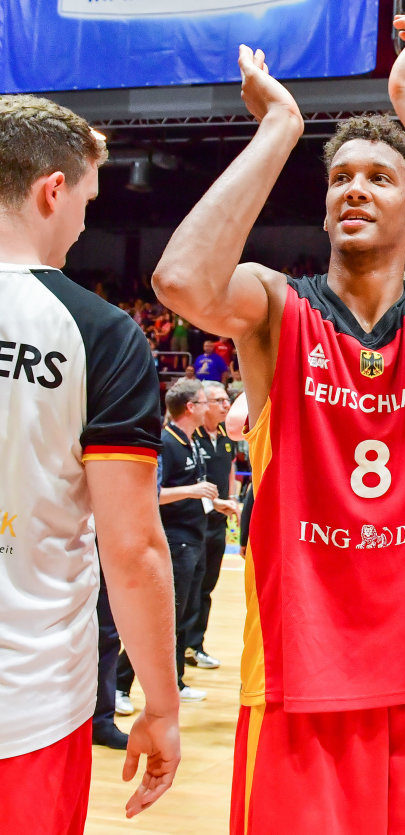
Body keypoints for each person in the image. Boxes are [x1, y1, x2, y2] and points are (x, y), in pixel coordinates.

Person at [150, 18, 405, 834]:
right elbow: (180, 279)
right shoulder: (274, 306)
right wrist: (281, 128)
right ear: (324, 212)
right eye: (342, 179)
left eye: (380, 178)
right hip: (302, 670)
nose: (355, 187)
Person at [0, 93, 180, 829]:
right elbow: (132, 548)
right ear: (52, 189)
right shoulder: (101, 334)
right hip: (29, 703)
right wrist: (161, 706)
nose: (82, 224)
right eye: (85, 200)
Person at [118, 379, 222, 706]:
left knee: (181, 616)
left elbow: (194, 489)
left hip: (196, 537)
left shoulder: (191, 440)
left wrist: (216, 503)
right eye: (206, 401)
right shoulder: (166, 441)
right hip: (174, 541)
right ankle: (120, 686)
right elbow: (152, 494)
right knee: (159, 619)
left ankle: (175, 681)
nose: (210, 407)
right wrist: (193, 491)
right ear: (190, 407)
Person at [186, 380, 241, 671]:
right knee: (188, 590)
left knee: (206, 588)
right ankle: (180, 646)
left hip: (218, 521)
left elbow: (230, 468)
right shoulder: (189, 436)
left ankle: (196, 645)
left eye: (226, 400)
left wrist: (232, 497)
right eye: (219, 401)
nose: (226, 406)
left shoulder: (226, 435)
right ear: (202, 405)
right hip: (192, 522)